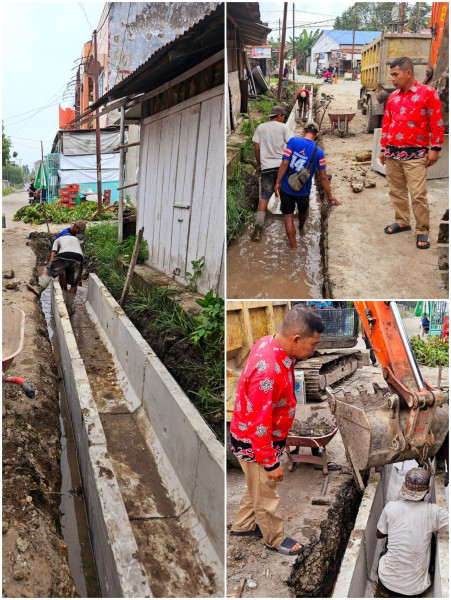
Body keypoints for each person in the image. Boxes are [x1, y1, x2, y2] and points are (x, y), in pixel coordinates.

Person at [229, 306, 324, 555]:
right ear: (296, 339)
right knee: (266, 494)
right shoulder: (268, 370)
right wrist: (272, 463)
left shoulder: (270, 343)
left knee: (256, 488)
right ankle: (273, 538)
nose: (315, 351)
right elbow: (259, 426)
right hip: (257, 443)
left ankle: (242, 525)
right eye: (313, 345)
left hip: (258, 437)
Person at [380, 56, 444, 249]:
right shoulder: (393, 97)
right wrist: (383, 148)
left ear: (408, 73)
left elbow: (437, 123)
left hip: (415, 155)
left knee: (418, 195)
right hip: (392, 154)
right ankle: (402, 221)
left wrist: (436, 148)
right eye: (391, 75)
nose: (392, 78)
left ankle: (422, 230)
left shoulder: (428, 94)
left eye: (395, 74)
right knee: (396, 191)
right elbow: (387, 124)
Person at [376, 467, 448, 597]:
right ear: (428, 490)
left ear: (404, 487)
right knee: (431, 535)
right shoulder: (434, 512)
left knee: (389, 535)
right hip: (416, 590)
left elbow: (379, 534)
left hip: (387, 582)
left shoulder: (391, 507)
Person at [274, 121, 342, 248]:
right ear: (317, 135)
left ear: (303, 131)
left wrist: (277, 182)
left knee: (288, 217)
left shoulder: (293, 141)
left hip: (287, 187)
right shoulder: (319, 152)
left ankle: (294, 248)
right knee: (303, 211)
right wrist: (330, 196)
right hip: (303, 190)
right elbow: (323, 176)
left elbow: (284, 163)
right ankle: (301, 226)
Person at [27, 221, 86, 316]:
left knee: (48, 271)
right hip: (79, 258)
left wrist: (51, 266)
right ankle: (69, 308)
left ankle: (39, 288)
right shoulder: (75, 239)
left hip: (64, 255)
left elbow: (53, 253)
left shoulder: (58, 239)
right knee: (74, 284)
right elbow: (75, 255)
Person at [251, 106, 291, 242]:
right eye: (283, 116)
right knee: (286, 195)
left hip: (266, 167)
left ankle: (257, 231)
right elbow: (291, 145)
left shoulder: (261, 127)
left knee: (263, 199)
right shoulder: (284, 128)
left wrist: (259, 163)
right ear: (279, 116)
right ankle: (288, 230)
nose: (283, 119)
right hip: (282, 167)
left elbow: (256, 147)